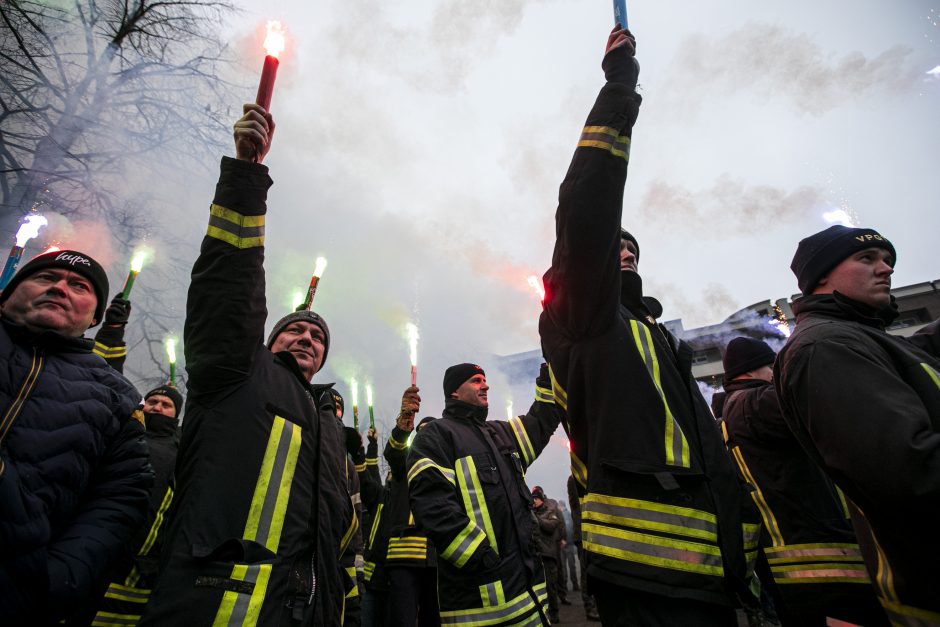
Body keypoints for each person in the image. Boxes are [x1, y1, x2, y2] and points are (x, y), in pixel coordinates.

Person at [538, 27, 760, 625]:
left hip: (716, 571)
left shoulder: (656, 334)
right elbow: (586, 208)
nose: (626, 251)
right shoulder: (586, 313)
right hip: (645, 574)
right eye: (617, 246)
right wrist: (620, 87)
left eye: (634, 247)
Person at [139, 104, 355, 625]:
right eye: (295, 329)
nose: (307, 338)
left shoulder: (328, 423)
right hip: (213, 605)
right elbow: (227, 289)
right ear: (269, 338)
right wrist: (246, 177)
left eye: (317, 338)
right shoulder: (238, 368)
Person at [774, 225, 940, 625]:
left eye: (887, 260)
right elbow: (910, 471)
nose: (886, 269)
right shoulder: (826, 348)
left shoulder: (863, 338)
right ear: (821, 278)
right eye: (867, 259)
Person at [0, 249, 152, 624]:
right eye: (46, 278)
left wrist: (56, 580)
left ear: (94, 316)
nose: (60, 288)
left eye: (78, 285)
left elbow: (119, 499)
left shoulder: (117, 398)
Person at [720, 337, 886, 626]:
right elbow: (813, 402)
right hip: (823, 562)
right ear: (749, 371)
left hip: (803, 561)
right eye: (770, 366)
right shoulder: (754, 404)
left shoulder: (736, 410)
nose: (775, 373)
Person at [407, 363, 562, 625]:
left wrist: (549, 380)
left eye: (485, 380)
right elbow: (433, 507)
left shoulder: (501, 433)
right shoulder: (436, 436)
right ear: (455, 392)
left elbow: (540, 422)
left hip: (530, 602)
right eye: (476, 380)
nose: (486, 385)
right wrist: (483, 558)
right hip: (481, 606)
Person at [91, 384, 185, 626]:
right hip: (94, 545)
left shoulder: (182, 450)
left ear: (177, 415)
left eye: (167, 405)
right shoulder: (122, 431)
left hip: (139, 566)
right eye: (153, 401)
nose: (158, 407)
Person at [376, 387, 440, 627]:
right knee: (401, 621)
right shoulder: (405, 460)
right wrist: (404, 421)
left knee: (434, 620)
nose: (427, 437)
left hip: (437, 560)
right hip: (403, 558)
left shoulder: (448, 465)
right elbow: (392, 451)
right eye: (421, 432)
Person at [567, 475, 599, 622]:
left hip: (593, 533)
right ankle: (590, 607)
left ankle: (595, 604)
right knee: (586, 572)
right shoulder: (574, 479)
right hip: (582, 534)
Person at [532, 487, 563, 623]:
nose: (533, 501)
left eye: (536, 498)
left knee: (551, 587)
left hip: (548, 554)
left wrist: (537, 520)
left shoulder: (550, 511)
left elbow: (551, 527)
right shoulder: (531, 513)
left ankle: (554, 613)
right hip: (536, 554)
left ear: (541, 499)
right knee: (539, 588)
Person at [557, 501, 579, 597]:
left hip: (568, 545)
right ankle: (571, 585)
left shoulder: (567, 515)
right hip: (565, 545)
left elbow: (570, 529)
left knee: (569, 566)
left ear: (562, 506)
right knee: (567, 567)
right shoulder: (562, 515)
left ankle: (571, 585)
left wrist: (564, 540)